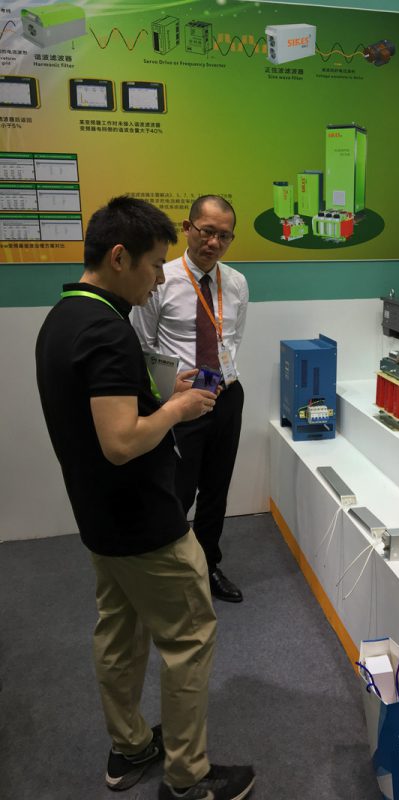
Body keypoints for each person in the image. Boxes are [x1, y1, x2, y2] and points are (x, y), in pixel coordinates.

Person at [35, 195, 255, 800]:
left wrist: (160, 394)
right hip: (141, 518)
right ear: (119, 257)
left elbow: (107, 413)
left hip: (99, 517)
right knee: (190, 637)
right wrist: (178, 408)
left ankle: (130, 746)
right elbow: (121, 441)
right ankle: (189, 778)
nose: (160, 278)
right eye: (155, 263)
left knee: (119, 631)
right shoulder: (108, 331)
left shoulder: (64, 317)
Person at [131, 195, 249, 603]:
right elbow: (143, 346)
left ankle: (208, 564)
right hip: (180, 403)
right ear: (187, 228)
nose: (213, 242)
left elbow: (233, 338)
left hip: (226, 396)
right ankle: (168, 569)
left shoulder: (236, 283)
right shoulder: (160, 278)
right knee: (176, 491)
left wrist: (222, 380)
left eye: (223, 236)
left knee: (216, 489)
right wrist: (169, 397)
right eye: (206, 231)